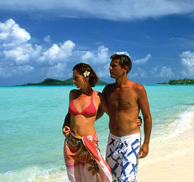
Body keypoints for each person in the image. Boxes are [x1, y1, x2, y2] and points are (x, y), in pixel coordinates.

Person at [102, 53, 152, 182]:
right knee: (110, 177)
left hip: (131, 140)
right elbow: (101, 112)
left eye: (114, 66)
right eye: (110, 65)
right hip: (112, 139)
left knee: (127, 178)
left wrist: (146, 143)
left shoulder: (137, 89)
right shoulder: (107, 90)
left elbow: (147, 117)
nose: (110, 68)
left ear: (124, 68)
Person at [62, 63, 112, 182]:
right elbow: (70, 114)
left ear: (86, 77)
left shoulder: (98, 96)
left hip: (89, 143)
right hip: (71, 143)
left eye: (76, 77)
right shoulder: (73, 94)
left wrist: (135, 118)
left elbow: (112, 114)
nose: (73, 81)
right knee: (75, 178)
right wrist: (65, 125)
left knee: (95, 177)